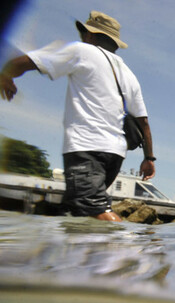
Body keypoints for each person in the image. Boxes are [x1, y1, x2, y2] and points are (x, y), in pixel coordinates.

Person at [0, 11, 155, 221]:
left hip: (87, 148)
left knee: (93, 209)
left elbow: (29, 61)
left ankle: (129, 250)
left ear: (90, 35)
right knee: (77, 214)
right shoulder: (129, 75)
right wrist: (148, 158)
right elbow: (143, 122)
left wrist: (6, 74)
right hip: (115, 154)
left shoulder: (81, 51)